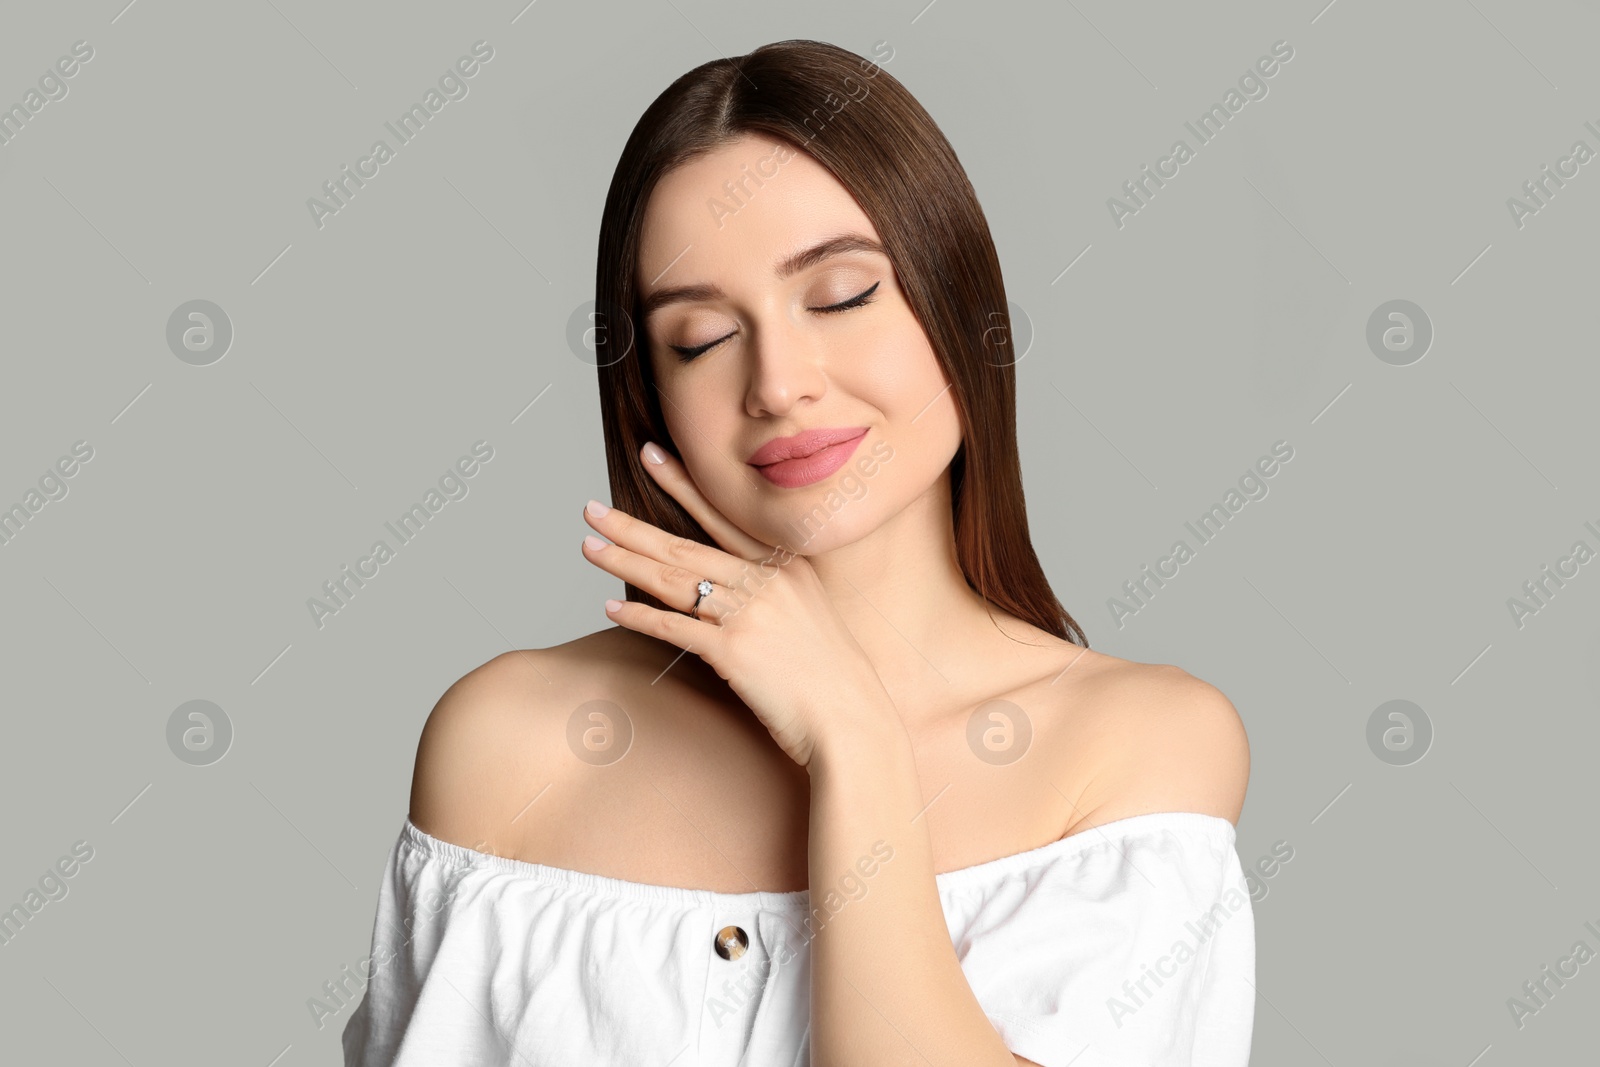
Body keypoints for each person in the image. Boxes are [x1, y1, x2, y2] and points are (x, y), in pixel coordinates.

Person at [343, 38, 1254, 1067]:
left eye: (840, 296)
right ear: (651, 393)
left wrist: (852, 736)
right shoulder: (510, 743)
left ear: (959, 306)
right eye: (698, 337)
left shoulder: (1136, 749)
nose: (777, 381)